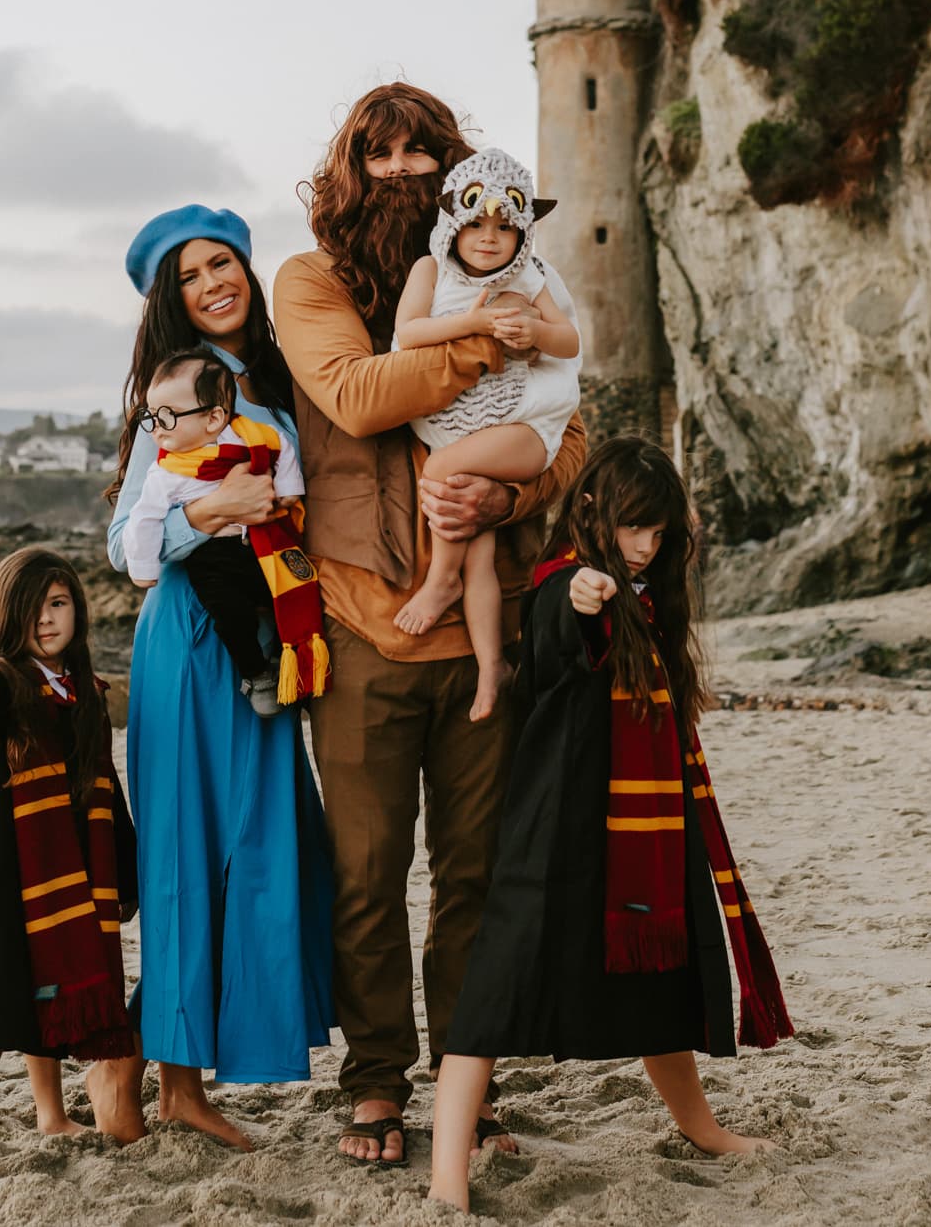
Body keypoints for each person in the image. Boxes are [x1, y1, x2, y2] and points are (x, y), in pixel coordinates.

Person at [273, 83, 588, 1166]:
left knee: (474, 877)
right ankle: (373, 1082)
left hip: (483, 638)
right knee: (364, 878)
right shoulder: (310, 281)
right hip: (362, 627)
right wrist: (497, 340)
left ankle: (466, 1077)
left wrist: (511, 497)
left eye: (426, 153)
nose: (405, 170)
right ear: (348, 173)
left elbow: (574, 431)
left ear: (462, 181)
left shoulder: (518, 273)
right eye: (383, 154)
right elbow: (360, 396)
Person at [428, 436, 794, 1212]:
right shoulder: (570, 583)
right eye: (635, 527)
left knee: (661, 980)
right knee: (495, 988)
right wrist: (585, 595)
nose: (645, 546)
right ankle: (444, 1177)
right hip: (559, 825)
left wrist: (629, 575)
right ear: (592, 509)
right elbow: (563, 624)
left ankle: (701, 1128)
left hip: (643, 823)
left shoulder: (647, 592)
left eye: (660, 533)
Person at [87, 205, 333, 1153]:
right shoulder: (171, 401)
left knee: (266, 844)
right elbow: (128, 546)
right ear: (171, 296)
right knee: (183, 855)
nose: (213, 284)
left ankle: (203, 1068)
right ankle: (155, 1076)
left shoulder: (276, 381)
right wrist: (214, 509)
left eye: (223, 263)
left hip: (268, 638)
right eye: (191, 276)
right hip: (184, 643)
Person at [0, 546, 137, 1184]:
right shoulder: (5, 682)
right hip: (6, 874)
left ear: (77, 611)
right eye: (32, 607)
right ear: (6, 615)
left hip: (69, 872)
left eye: (58, 603)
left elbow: (106, 784)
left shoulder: (88, 692)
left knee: (45, 991)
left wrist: (123, 864)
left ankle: (50, 1113)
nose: (46, 619)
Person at [392, 146, 582, 720]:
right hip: (462, 429)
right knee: (479, 549)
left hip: (524, 425)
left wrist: (534, 330)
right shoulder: (431, 270)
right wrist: (474, 322)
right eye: (474, 223)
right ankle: (491, 666)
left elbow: (570, 342)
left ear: (523, 232)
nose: (488, 237)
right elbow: (408, 333)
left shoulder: (531, 275)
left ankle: (438, 581)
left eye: (504, 227)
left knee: (443, 474)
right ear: (451, 221)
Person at [121, 347, 320, 718]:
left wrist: (291, 491)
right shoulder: (167, 471)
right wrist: (144, 567)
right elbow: (141, 521)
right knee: (231, 614)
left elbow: (284, 450)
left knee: (288, 595)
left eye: (168, 417)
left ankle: (291, 659)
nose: (156, 429)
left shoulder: (253, 437)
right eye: (151, 417)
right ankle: (257, 673)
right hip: (212, 558)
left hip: (263, 546)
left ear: (214, 417)